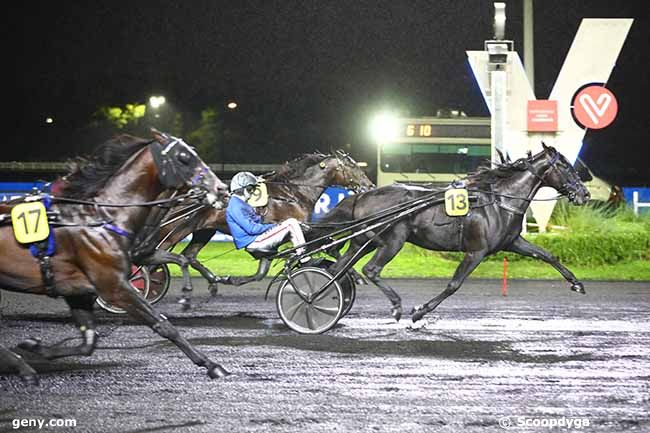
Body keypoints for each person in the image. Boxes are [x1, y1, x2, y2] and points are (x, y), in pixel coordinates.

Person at [225, 171, 309, 262]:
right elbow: (252, 229)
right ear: (241, 189)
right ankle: (303, 257)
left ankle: (300, 253)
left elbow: (258, 222)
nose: (252, 192)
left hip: (256, 240)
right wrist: (276, 225)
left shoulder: (240, 204)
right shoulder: (235, 205)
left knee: (293, 224)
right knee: (291, 223)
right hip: (255, 243)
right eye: (250, 189)